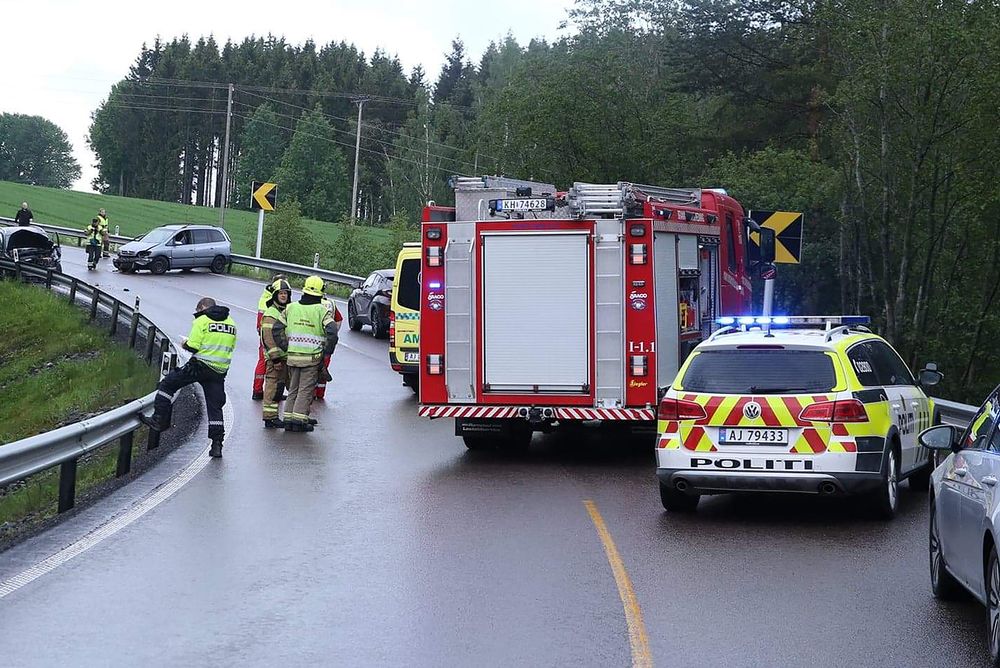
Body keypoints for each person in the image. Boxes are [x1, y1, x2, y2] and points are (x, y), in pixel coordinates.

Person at [139, 297, 237, 458]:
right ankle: (217, 445)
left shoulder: (202, 320)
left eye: (197, 311)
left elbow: (194, 346)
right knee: (215, 407)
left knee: (168, 384)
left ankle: (159, 419)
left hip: (199, 366)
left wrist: (184, 343)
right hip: (219, 370)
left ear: (202, 308)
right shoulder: (231, 322)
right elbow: (230, 347)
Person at [283, 276, 338, 432]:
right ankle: (298, 422)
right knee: (305, 390)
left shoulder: (291, 307)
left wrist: (285, 346)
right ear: (321, 291)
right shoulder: (322, 310)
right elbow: (332, 331)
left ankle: (287, 419)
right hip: (311, 358)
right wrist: (327, 351)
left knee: (293, 389)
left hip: (292, 356)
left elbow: (277, 328)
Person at [260, 279, 291, 428]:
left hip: (286, 357)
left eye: (286, 293)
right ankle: (269, 418)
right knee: (272, 388)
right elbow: (268, 339)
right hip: (276, 360)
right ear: (275, 295)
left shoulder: (287, 311)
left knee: (280, 389)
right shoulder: (271, 314)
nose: (283, 296)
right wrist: (276, 359)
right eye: (281, 293)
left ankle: (279, 416)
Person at [252, 274, 286, 400]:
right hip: (269, 334)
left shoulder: (265, 295)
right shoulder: (269, 299)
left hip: (265, 332)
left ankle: (259, 390)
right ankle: (260, 391)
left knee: (263, 362)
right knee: (264, 362)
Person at [315, 290, 344, 400]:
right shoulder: (330, 303)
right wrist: (334, 334)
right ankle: (320, 394)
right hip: (327, 341)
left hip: (311, 342)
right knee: (324, 368)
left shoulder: (309, 304)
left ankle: (311, 393)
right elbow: (339, 319)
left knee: (311, 369)